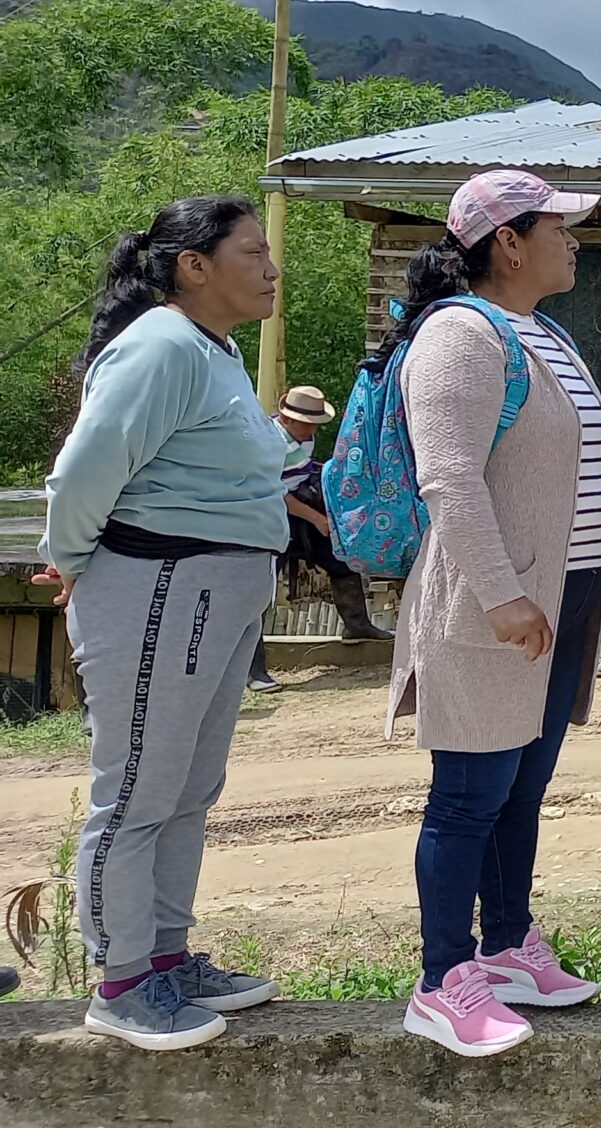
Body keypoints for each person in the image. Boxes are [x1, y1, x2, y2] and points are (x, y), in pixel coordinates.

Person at [40, 196, 288, 1051]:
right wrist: (70, 558)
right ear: (194, 265)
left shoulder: (210, 352)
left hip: (214, 590)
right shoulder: (159, 346)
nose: (271, 266)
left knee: (187, 788)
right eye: (252, 251)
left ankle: (165, 957)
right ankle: (121, 980)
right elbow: (86, 468)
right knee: (140, 789)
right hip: (161, 586)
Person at [380, 171, 601, 1056]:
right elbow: (450, 477)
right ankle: (444, 978)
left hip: (563, 595)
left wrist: (591, 572)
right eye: (562, 228)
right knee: (468, 795)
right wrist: (503, 594)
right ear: (509, 242)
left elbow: (571, 471)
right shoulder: (461, 335)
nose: (575, 241)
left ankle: (508, 944)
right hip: (495, 603)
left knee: (524, 784)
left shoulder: (543, 332)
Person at [262, 383, 392, 694]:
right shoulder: (268, 442)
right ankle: (255, 669)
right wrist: (318, 518)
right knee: (262, 587)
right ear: (286, 418)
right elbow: (274, 491)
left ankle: (357, 624)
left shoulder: (301, 437)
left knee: (340, 558)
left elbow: (302, 472)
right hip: (270, 513)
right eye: (306, 423)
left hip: (300, 502)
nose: (311, 429)